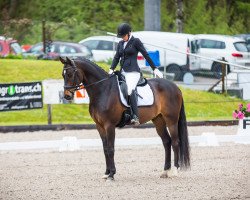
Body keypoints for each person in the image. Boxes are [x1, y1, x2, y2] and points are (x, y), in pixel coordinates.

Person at [109, 23, 163, 125]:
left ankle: (135, 116)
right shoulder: (120, 43)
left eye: (124, 35)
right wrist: (111, 68)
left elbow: (145, 55)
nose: (122, 38)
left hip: (133, 72)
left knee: (130, 90)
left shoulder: (136, 41)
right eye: (121, 36)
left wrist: (154, 69)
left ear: (129, 33)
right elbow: (116, 57)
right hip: (123, 72)